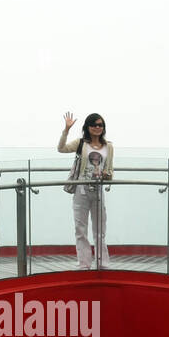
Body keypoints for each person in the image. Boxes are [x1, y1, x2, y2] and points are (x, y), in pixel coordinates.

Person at [59, 112, 114, 271]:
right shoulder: (81, 143)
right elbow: (61, 148)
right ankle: (84, 264)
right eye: (93, 125)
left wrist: (107, 175)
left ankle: (102, 263)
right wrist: (66, 130)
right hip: (81, 190)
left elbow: (110, 171)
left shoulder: (108, 146)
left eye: (100, 125)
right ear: (87, 127)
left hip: (98, 191)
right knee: (80, 229)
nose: (97, 127)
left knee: (100, 230)